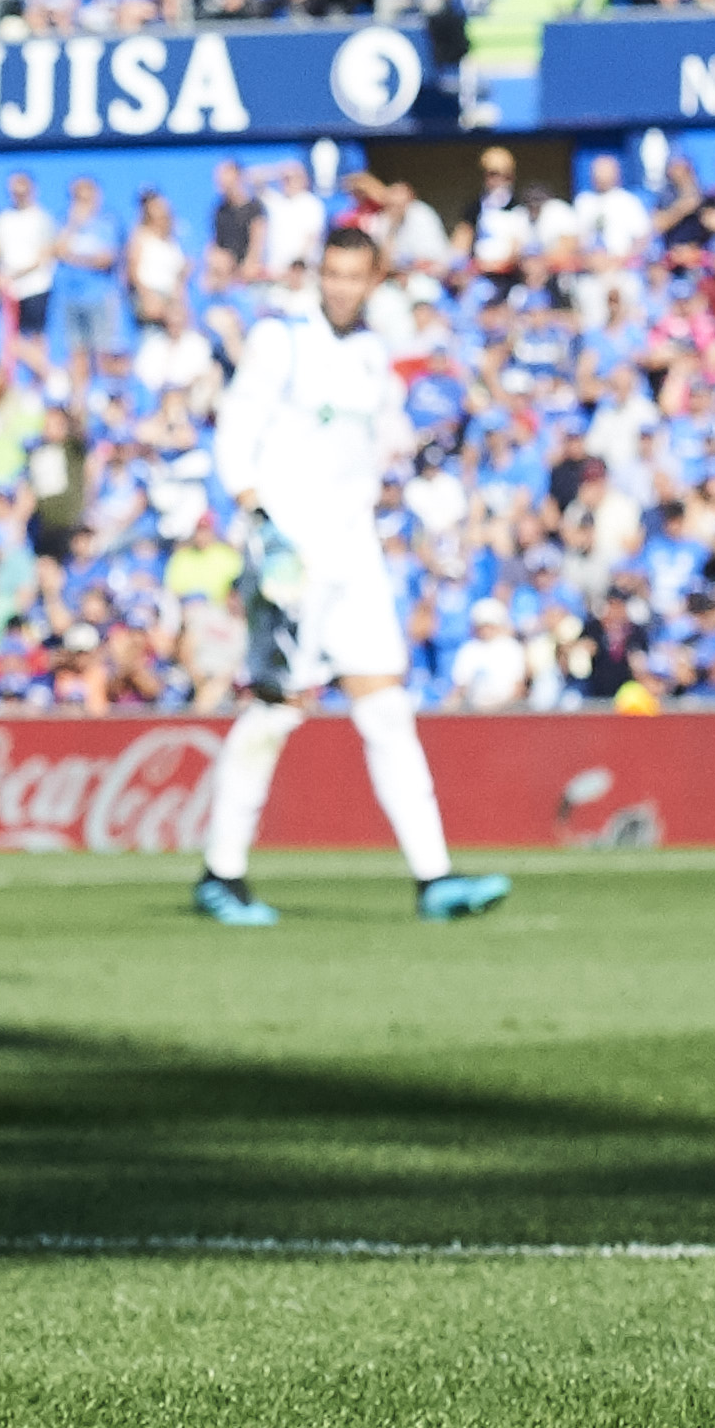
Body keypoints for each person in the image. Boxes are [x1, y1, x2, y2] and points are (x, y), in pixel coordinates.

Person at [188, 223, 510, 930]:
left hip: (354, 549)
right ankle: (221, 872)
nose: (339, 286)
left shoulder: (370, 354)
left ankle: (435, 877)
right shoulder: (283, 340)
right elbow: (235, 432)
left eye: (353, 276)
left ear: (374, 281)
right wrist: (259, 521)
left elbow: (379, 444)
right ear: (317, 275)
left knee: (387, 708)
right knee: (277, 707)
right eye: (330, 273)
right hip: (291, 553)